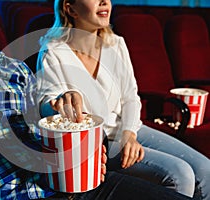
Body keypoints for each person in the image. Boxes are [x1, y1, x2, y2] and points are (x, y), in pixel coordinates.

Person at [0, 0, 194, 199]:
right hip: (12, 193)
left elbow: (43, 112)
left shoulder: (13, 67)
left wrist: (60, 105)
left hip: (70, 182)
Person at [36, 0, 210, 199]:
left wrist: (129, 134)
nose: (104, 2)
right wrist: (59, 102)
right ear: (70, 8)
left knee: (206, 170)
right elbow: (46, 103)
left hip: (128, 128)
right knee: (179, 174)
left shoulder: (116, 44)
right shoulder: (53, 51)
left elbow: (130, 97)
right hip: (95, 142)